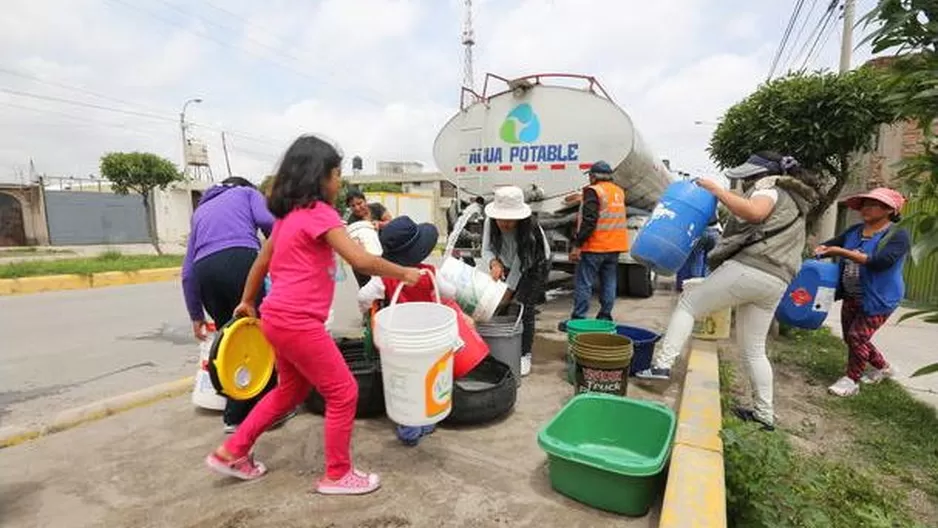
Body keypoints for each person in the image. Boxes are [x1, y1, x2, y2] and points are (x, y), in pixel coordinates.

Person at [204, 135, 421, 495]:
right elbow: (360, 259)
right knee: (343, 391)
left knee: (290, 390)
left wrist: (247, 301)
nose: (339, 182)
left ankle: (233, 451)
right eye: (336, 174)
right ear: (318, 176)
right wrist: (404, 272)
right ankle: (338, 473)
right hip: (298, 321)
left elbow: (261, 260)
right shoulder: (321, 214)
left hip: (276, 317)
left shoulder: (287, 218)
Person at [636, 152, 821, 432]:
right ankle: (764, 414)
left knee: (688, 305)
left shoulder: (770, 189)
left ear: (762, 175)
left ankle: (661, 366)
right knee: (754, 350)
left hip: (751, 268)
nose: (745, 181)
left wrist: (716, 190)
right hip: (776, 282)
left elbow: (754, 213)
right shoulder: (796, 204)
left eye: (748, 177)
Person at [181, 176, 293, 433]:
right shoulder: (245, 193)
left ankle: (234, 416)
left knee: (232, 343)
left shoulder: (200, 212)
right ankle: (267, 412)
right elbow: (269, 222)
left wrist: (196, 315)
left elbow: (187, 271)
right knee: (261, 336)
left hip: (204, 273)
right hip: (240, 262)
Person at [357, 216, 470, 446]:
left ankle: (409, 427)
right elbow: (451, 292)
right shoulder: (429, 273)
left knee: (404, 379)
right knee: (426, 377)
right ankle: (427, 420)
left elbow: (363, 297)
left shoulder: (384, 277)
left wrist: (369, 311)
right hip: (428, 339)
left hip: (399, 341)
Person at [815, 187, 910, 397]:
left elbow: (880, 263)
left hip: (880, 297)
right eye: (864, 204)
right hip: (851, 294)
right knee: (853, 338)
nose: (866, 208)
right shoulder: (854, 231)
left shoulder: (897, 235)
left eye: (873, 204)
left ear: (888, 210)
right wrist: (821, 248)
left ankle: (851, 380)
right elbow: (831, 244)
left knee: (857, 336)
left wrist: (840, 252)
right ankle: (884, 368)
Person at [481, 186, 551, 376]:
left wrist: (507, 294)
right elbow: (486, 250)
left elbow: (522, 266)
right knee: (501, 303)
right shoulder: (490, 221)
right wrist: (494, 262)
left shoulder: (530, 229)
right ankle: (499, 343)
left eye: (510, 220)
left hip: (534, 264)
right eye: (501, 218)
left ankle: (524, 354)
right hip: (508, 262)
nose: (505, 224)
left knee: (524, 306)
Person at [570, 161, 629, 321]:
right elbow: (605, 206)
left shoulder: (593, 190)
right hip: (614, 246)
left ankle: (578, 318)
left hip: (595, 246)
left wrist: (577, 244)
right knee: (609, 281)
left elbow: (589, 220)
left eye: (590, 175)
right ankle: (605, 315)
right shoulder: (618, 191)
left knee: (584, 282)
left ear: (594, 176)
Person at [345, 188, 394, 287]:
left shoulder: (377, 208)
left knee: (387, 287)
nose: (357, 208)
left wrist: (380, 224)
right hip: (365, 261)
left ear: (365, 200)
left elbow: (392, 223)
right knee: (368, 291)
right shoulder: (352, 221)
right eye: (353, 206)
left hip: (385, 255)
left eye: (359, 203)